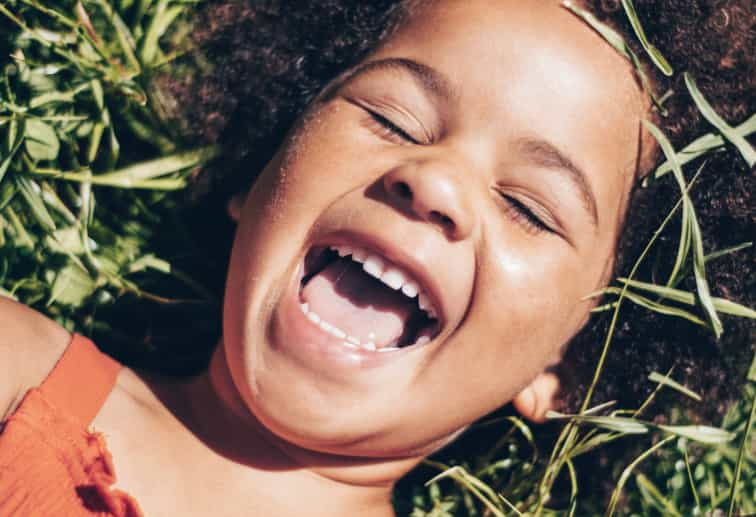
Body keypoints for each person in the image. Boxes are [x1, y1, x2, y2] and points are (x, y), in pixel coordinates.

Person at [0, 0, 752, 515]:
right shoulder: (17, 370)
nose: (436, 183)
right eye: (393, 117)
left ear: (571, 364)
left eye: (528, 206)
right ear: (261, 167)